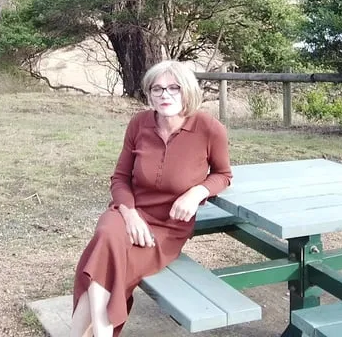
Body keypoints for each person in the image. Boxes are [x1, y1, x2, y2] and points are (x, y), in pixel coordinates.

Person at [69, 60, 233, 337]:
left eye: (173, 88)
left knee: (101, 267)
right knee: (107, 236)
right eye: (157, 89)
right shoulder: (139, 124)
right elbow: (119, 178)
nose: (164, 95)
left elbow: (223, 174)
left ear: (188, 92)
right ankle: (100, 331)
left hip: (167, 227)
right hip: (128, 213)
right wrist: (130, 215)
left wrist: (197, 192)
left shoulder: (209, 128)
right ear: (149, 94)